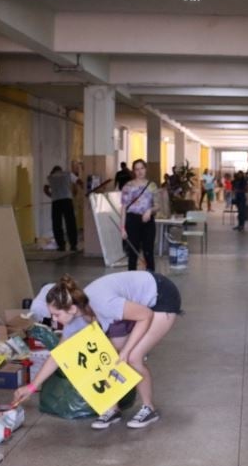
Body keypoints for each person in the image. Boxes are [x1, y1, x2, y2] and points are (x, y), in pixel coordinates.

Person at [16, 271, 182, 429]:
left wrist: (126, 351)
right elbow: (59, 355)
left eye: (56, 314)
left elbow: (145, 315)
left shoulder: (103, 304)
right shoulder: (76, 316)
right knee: (105, 354)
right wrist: (31, 387)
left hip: (161, 295)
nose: (54, 319)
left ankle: (149, 409)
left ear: (71, 309)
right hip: (136, 305)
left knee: (133, 357)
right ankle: (112, 409)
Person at [121, 159, 159, 271]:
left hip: (148, 221)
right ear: (133, 171)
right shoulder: (127, 186)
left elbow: (158, 206)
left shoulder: (152, 186)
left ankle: (151, 280)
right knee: (132, 254)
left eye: (142, 168)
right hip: (132, 221)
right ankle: (132, 282)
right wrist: (122, 228)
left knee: (149, 252)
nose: (140, 171)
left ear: (145, 169)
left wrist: (150, 211)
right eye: (137, 169)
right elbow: (123, 208)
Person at [44, 165, 78, 251]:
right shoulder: (68, 174)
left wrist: (51, 195)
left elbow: (45, 188)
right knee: (70, 222)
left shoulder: (50, 177)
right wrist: (76, 192)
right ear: (61, 170)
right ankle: (73, 244)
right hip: (67, 200)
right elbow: (79, 181)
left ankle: (61, 245)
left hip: (56, 201)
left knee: (57, 223)